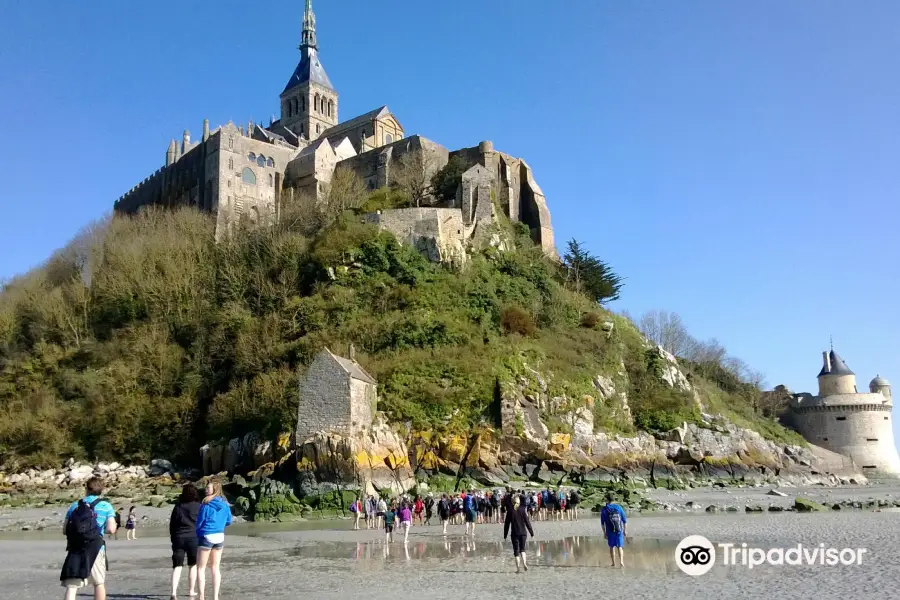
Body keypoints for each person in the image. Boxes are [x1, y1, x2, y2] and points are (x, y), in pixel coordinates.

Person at [60, 476, 117, 600]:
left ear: (86, 489)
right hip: (96, 547)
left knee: (72, 586)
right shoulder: (105, 506)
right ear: (101, 490)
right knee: (98, 583)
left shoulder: (75, 505)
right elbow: (111, 529)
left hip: (76, 548)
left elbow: (65, 530)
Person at [195, 481, 233, 600]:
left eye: (208, 487)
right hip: (219, 536)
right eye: (206, 487)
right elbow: (229, 521)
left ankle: (202, 597)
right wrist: (220, 525)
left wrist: (198, 532)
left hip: (207, 535)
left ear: (215, 489)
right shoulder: (225, 504)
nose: (206, 489)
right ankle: (215, 597)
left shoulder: (206, 503)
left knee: (201, 568)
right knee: (215, 568)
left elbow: (200, 522)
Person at [169, 483, 201, 600]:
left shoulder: (178, 506)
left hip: (179, 538)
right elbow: (201, 523)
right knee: (192, 565)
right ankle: (191, 590)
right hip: (194, 538)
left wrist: (173, 537)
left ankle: (173, 593)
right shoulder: (198, 506)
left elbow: (172, 524)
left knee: (177, 566)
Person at [503, 494, 534, 574]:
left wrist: (505, 535)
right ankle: (524, 563)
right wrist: (531, 532)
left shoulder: (510, 511)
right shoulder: (522, 509)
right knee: (522, 550)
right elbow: (527, 522)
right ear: (519, 502)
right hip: (523, 533)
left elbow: (507, 524)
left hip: (515, 533)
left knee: (516, 552)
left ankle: (518, 569)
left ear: (512, 502)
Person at [600, 492, 627, 568]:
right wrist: (625, 530)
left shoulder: (605, 509)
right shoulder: (618, 507)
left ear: (607, 499)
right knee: (620, 546)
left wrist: (604, 533)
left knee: (612, 547)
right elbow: (624, 520)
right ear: (613, 499)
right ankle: (621, 561)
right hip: (619, 530)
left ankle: (613, 563)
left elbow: (602, 523)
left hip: (610, 530)